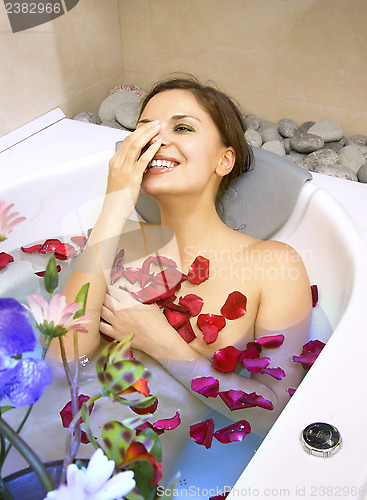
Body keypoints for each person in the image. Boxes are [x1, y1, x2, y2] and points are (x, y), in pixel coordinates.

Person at [55, 76, 312, 478]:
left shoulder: (273, 264)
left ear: (223, 160)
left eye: (183, 127)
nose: (158, 140)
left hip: (129, 479)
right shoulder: (116, 241)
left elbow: (273, 413)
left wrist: (164, 344)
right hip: (47, 444)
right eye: (145, 130)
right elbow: (61, 362)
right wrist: (113, 206)